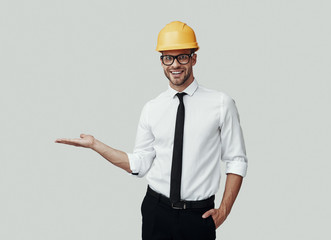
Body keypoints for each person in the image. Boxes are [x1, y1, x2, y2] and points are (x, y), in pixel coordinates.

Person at [55, 21, 248, 240]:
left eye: (182, 56)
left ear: (194, 58)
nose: (175, 64)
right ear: (162, 61)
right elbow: (139, 164)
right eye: (168, 57)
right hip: (157, 211)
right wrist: (95, 145)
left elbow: (237, 160)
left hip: (198, 215)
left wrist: (224, 210)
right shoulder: (152, 109)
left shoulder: (221, 104)